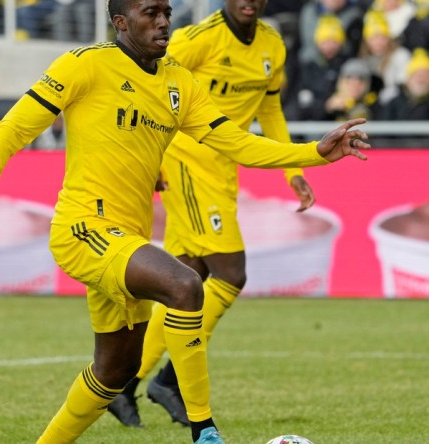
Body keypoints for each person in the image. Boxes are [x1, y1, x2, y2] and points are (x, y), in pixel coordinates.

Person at [0, 1, 371, 443]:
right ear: (121, 23)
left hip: (127, 235)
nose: (163, 22)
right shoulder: (84, 65)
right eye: (150, 13)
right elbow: (10, 131)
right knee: (185, 285)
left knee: (115, 370)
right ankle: (205, 430)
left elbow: (237, 143)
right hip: (82, 228)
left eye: (166, 12)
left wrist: (312, 154)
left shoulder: (179, 81)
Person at [106, 0, 321, 429]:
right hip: (186, 160)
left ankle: (127, 384)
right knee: (231, 272)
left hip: (223, 167)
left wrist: (291, 170)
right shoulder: (196, 39)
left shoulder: (272, 46)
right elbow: (144, 87)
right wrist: (153, 161)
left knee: (184, 283)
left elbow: (270, 110)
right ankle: (169, 380)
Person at [294, 14, 353, 120]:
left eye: (334, 41)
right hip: (314, 120)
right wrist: (326, 106)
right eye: (325, 41)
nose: (329, 46)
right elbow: (302, 102)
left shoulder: (348, 65)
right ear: (318, 42)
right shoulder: (308, 67)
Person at [377, 47, 429, 120]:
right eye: (417, 75)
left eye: (426, 76)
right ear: (408, 79)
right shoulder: (394, 104)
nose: (421, 80)